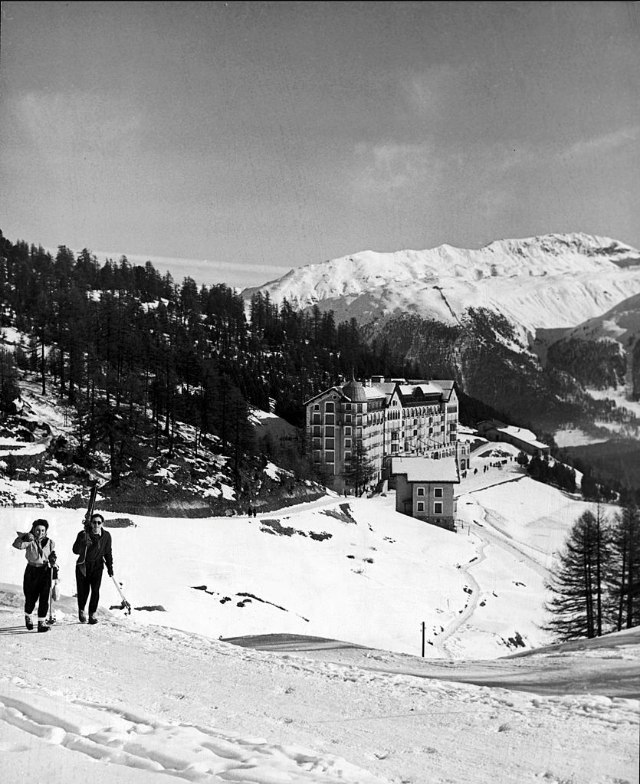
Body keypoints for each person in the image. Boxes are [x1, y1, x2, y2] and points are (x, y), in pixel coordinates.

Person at [12, 519, 57, 632]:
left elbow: (51, 555)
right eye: (38, 530)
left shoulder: (50, 542)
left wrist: (52, 558)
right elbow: (17, 545)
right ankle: (28, 616)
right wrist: (23, 538)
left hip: (45, 571)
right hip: (32, 571)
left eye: (43, 530)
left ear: (46, 531)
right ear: (33, 530)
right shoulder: (29, 540)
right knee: (31, 597)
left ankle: (41, 623)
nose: (40, 533)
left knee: (44, 597)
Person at [72, 512, 113, 624]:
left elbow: (108, 552)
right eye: (94, 522)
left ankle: (92, 614)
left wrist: (110, 567)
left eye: (99, 522)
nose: (96, 525)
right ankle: (81, 610)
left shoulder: (106, 536)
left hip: (97, 566)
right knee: (83, 591)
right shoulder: (83, 534)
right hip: (83, 565)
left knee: (95, 590)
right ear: (90, 523)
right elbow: (75, 550)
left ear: (102, 524)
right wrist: (82, 542)